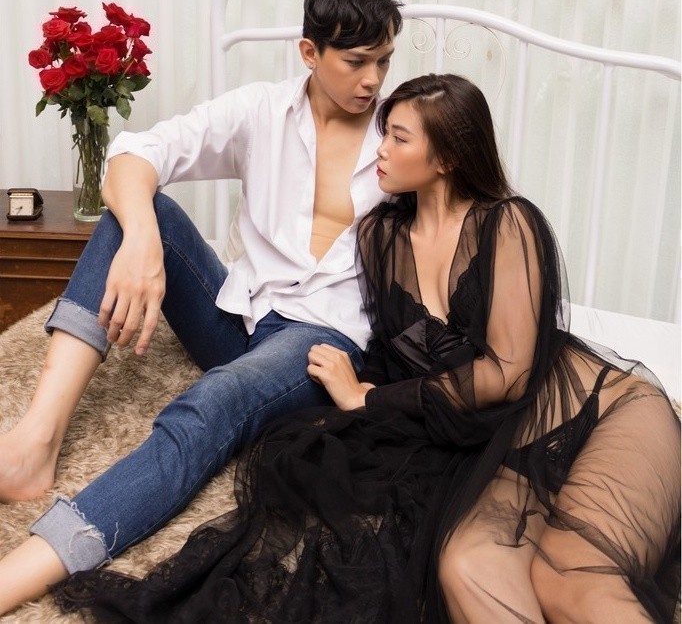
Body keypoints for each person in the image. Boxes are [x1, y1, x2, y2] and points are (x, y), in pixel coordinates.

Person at [48, 74, 680, 623]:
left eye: (398, 138)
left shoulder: (505, 221)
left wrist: (369, 399)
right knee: (466, 568)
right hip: (503, 447)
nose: (378, 149)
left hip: (598, 416)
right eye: (384, 134)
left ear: (447, 157)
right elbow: (360, 322)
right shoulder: (382, 236)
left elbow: (508, 374)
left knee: (571, 579)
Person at [0, 0, 403, 615]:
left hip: (319, 339)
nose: (372, 80)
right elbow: (138, 153)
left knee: (213, 400)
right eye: (356, 61)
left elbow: (470, 219)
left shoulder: (400, 134)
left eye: (384, 60)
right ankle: (36, 440)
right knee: (140, 211)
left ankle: (25, 569)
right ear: (309, 52)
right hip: (242, 316)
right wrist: (142, 240)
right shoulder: (263, 111)